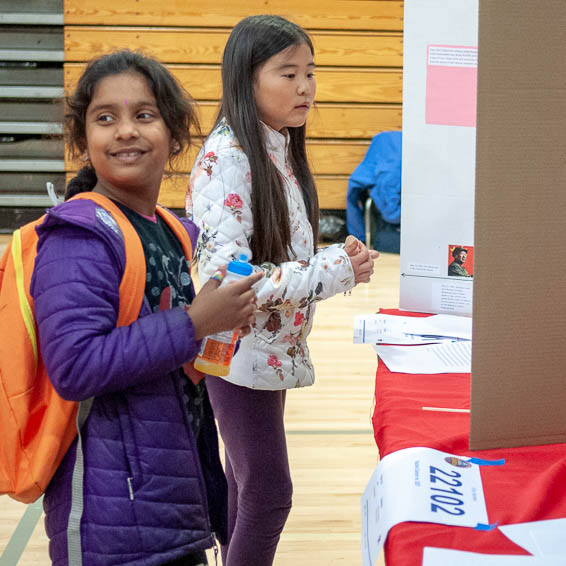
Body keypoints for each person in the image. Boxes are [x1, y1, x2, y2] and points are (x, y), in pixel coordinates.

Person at [30, 49, 263, 566]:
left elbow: (170, 359)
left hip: (174, 505)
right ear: (84, 141)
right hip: (112, 525)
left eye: (144, 115)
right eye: (105, 118)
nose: (125, 131)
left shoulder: (170, 228)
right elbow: (75, 366)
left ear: (175, 135)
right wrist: (194, 323)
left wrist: (216, 329)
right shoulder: (78, 237)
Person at [186, 15, 379, 566]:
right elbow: (232, 279)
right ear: (247, 80)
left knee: (247, 482)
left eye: (310, 73)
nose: (305, 87)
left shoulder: (276, 146)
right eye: (288, 73)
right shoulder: (229, 158)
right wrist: (334, 269)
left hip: (265, 349)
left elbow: (283, 255)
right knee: (270, 493)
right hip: (236, 350)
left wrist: (335, 261)